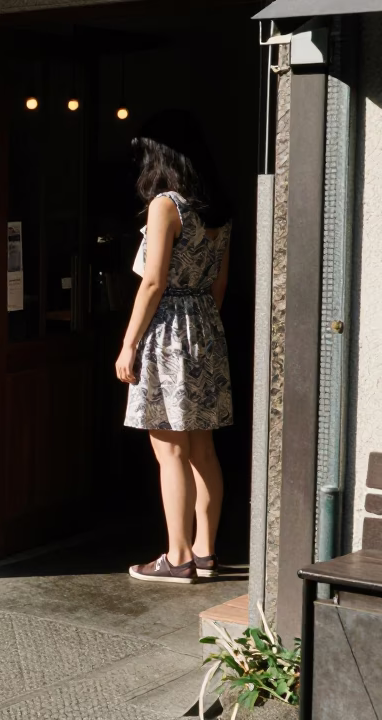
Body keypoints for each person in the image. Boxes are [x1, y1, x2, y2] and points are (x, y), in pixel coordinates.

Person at [117, 110, 233, 585]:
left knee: (169, 451)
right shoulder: (217, 210)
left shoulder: (167, 205)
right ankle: (204, 551)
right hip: (205, 325)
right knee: (203, 448)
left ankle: (177, 556)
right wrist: (203, 326)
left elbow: (153, 282)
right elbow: (220, 283)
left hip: (166, 330)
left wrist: (128, 345)